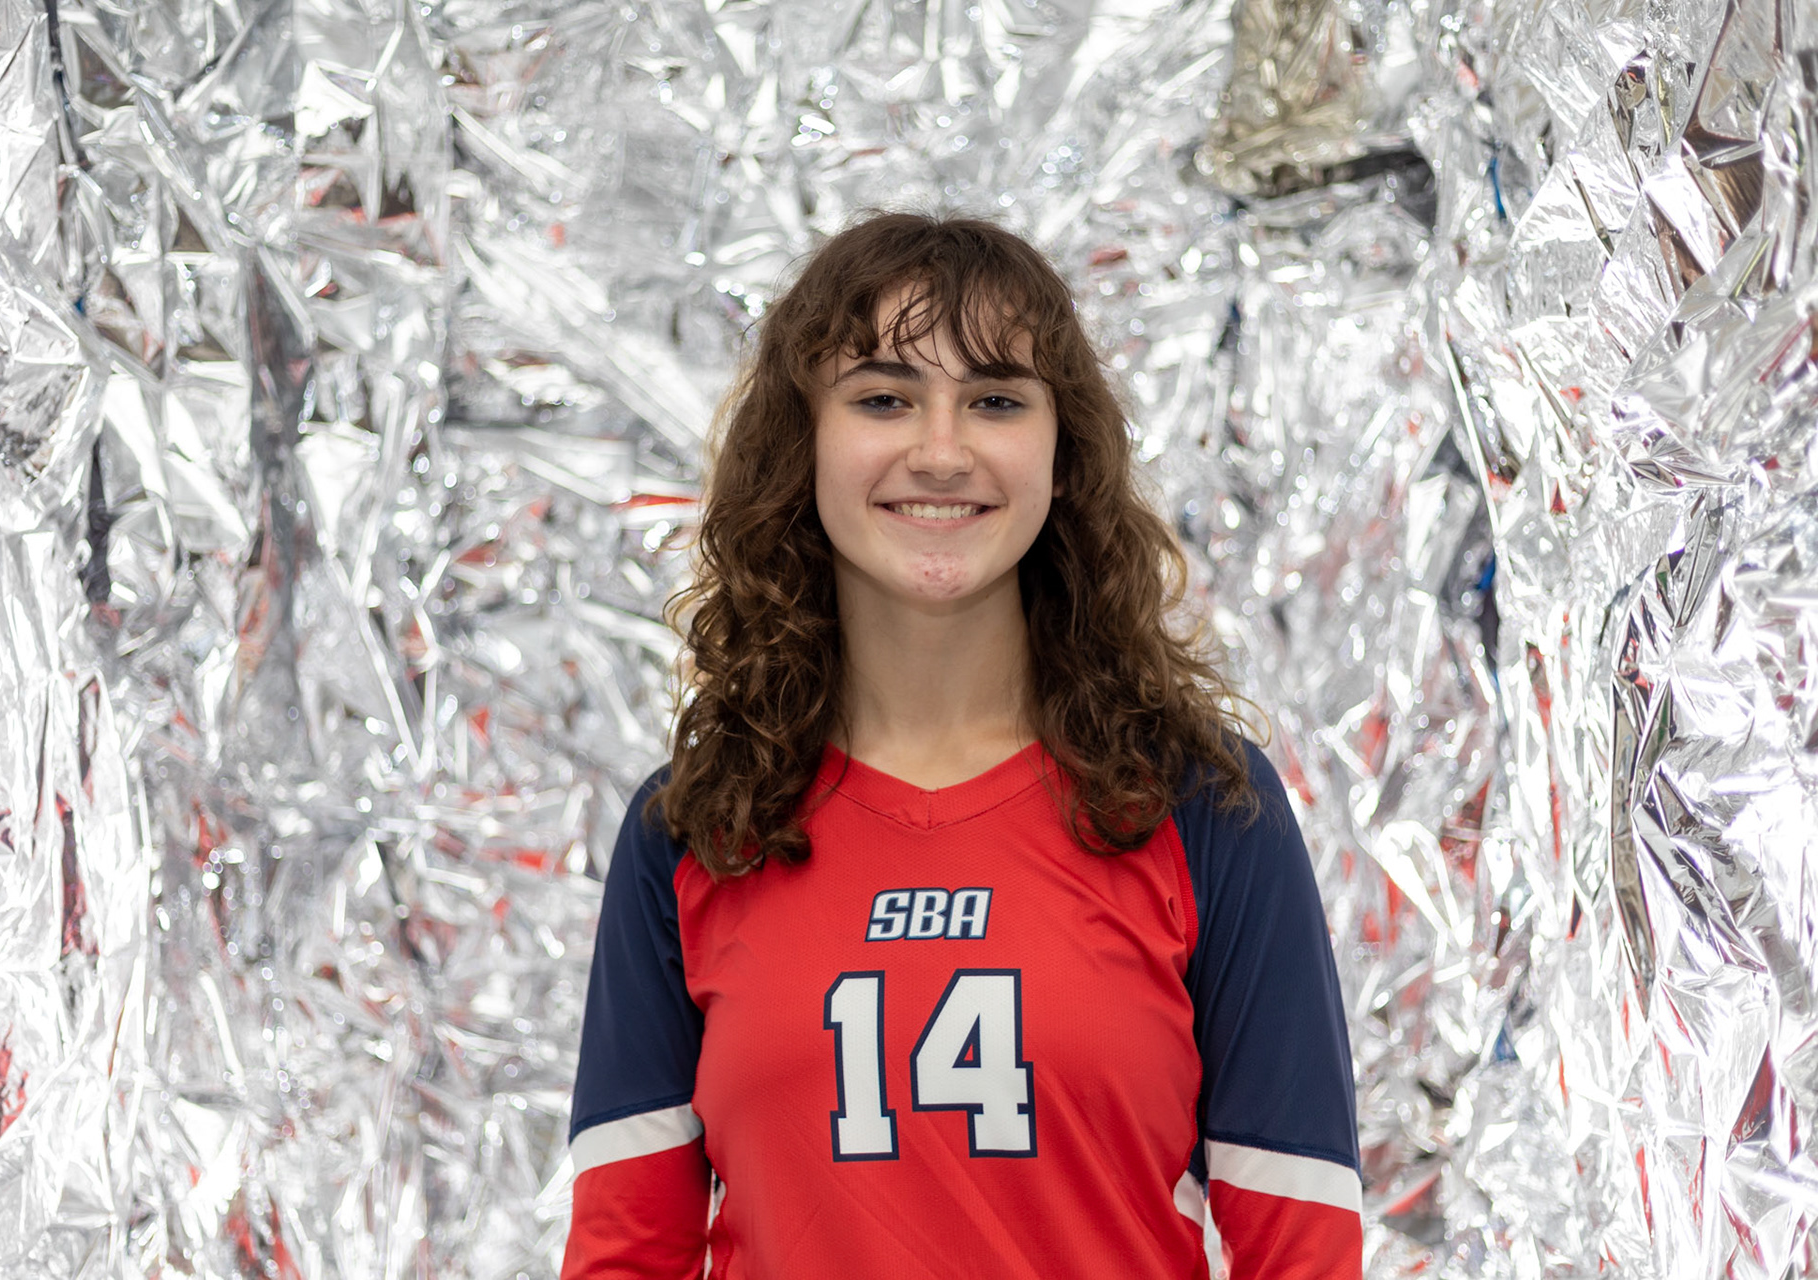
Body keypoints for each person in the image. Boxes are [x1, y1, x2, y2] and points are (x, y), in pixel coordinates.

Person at [562, 212, 1362, 1278]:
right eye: (883, 397)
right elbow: (628, 1254)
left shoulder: (1201, 802)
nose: (941, 451)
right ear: (802, 442)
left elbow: (1301, 1254)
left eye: (994, 399)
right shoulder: (699, 820)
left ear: (1062, 451)